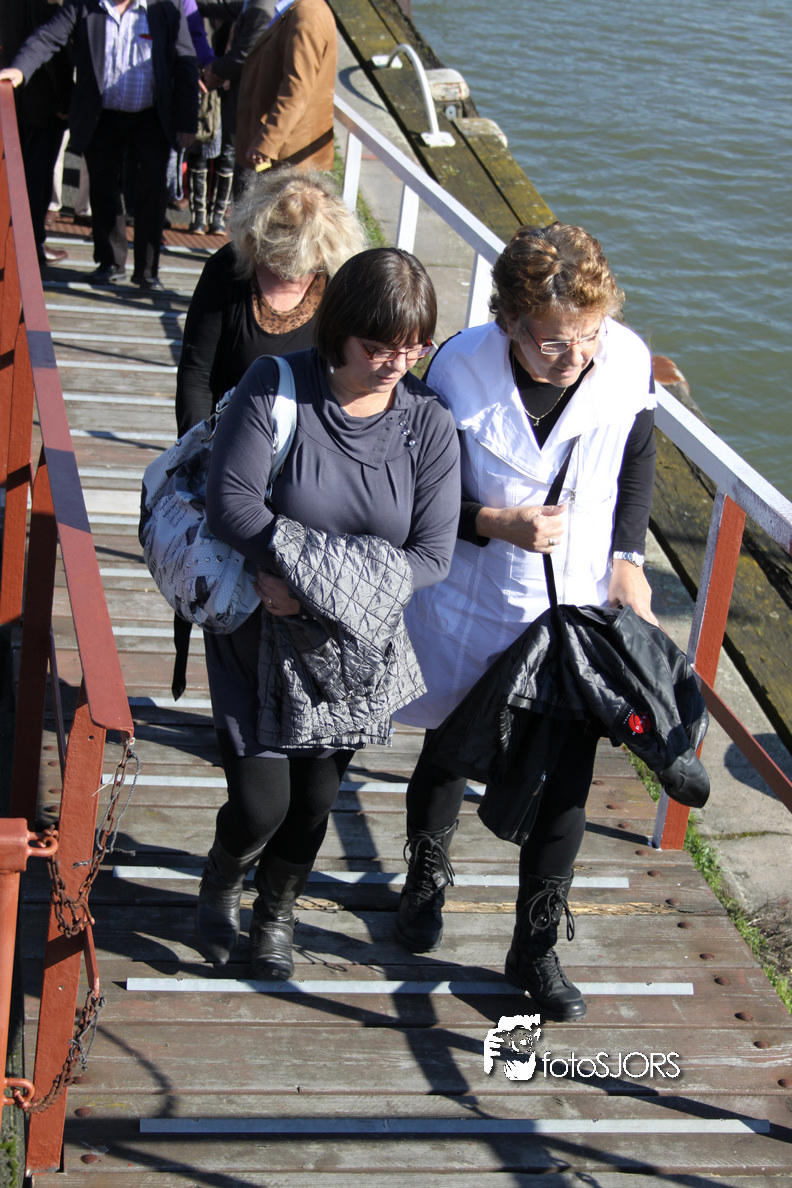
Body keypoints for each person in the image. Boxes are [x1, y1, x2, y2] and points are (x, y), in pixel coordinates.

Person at [394, 222, 658, 1022]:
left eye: (589, 334)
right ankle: (425, 879)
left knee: (567, 783)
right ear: (508, 321)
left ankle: (535, 945)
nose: (574, 356)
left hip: (573, 608)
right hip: (472, 598)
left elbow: (638, 457)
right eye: (551, 342)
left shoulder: (627, 361)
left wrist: (628, 557)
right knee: (447, 752)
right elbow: (417, 492)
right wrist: (492, 522)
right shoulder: (457, 368)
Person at [195, 246, 461, 980]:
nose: (395, 364)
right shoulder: (276, 384)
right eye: (378, 347)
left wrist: (314, 586)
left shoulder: (429, 423)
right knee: (261, 804)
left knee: (314, 801)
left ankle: (275, 914)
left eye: (414, 348)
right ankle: (223, 874)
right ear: (338, 330)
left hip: (349, 648)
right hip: (258, 630)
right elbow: (230, 506)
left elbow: (433, 555)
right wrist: (303, 576)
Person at [0, 0, 199, 291]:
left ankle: (147, 271)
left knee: (152, 191)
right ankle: (110, 262)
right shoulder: (85, 5)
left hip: (152, 115)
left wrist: (188, 121)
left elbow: (185, 61)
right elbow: (47, 37)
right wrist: (19, 69)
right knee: (103, 188)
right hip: (101, 114)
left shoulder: (166, 7)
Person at [175, 166, 367, 436]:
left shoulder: (339, 278)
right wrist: (197, 447)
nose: (300, 274)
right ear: (262, 244)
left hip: (313, 441)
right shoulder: (226, 269)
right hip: (233, 435)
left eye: (314, 264)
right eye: (285, 264)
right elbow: (196, 375)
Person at [235, 0, 336, 182]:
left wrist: (267, 142)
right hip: (283, 153)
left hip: (288, 158)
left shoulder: (307, 15)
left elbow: (297, 89)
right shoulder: (300, 10)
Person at [199, 0, 274, 231]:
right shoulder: (252, 3)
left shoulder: (261, 8)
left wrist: (214, 71)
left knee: (248, 181)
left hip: (253, 111)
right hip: (246, 108)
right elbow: (224, 7)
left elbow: (243, 56)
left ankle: (244, 239)